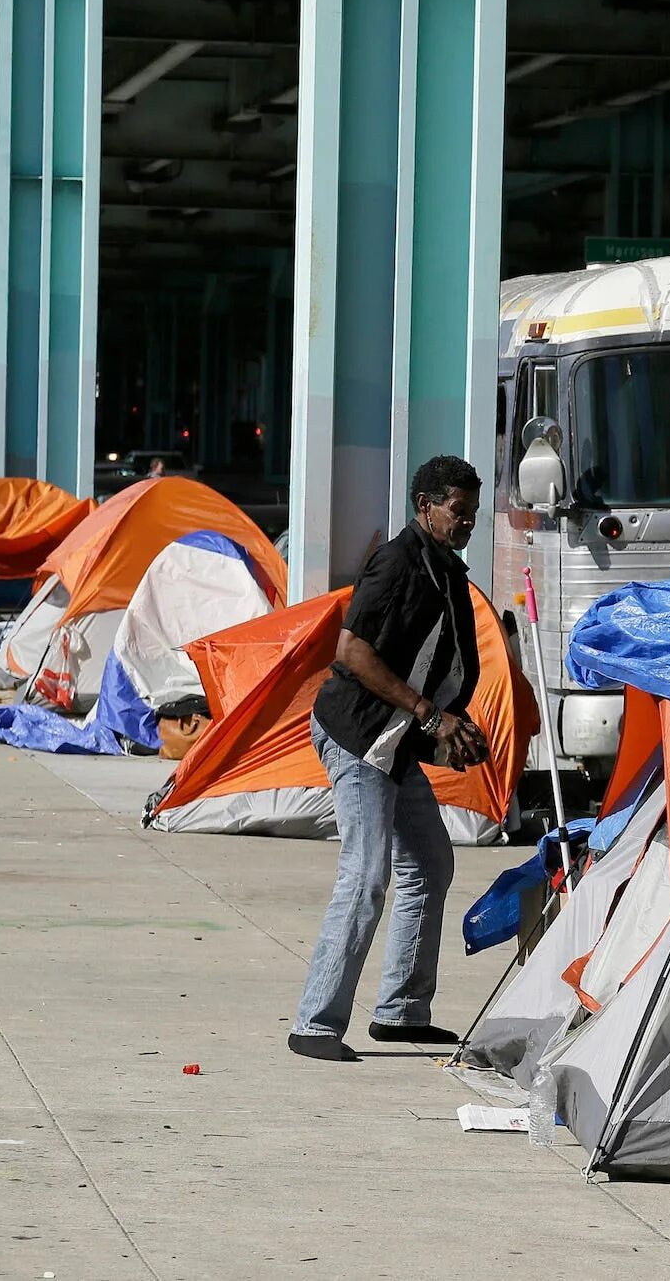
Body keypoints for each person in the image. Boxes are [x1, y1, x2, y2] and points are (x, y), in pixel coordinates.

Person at [288, 455, 489, 1062]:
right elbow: (352, 650)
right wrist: (430, 715)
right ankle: (315, 1025)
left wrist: (448, 731)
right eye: (459, 511)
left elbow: (439, 664)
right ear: (425, 506)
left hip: (395, 743)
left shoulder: (446, 570)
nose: (468, 523)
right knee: (367, 873)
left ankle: (400, 1014)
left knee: (429, 862)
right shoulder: (397, 561)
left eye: (474, 514)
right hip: (357, 737)